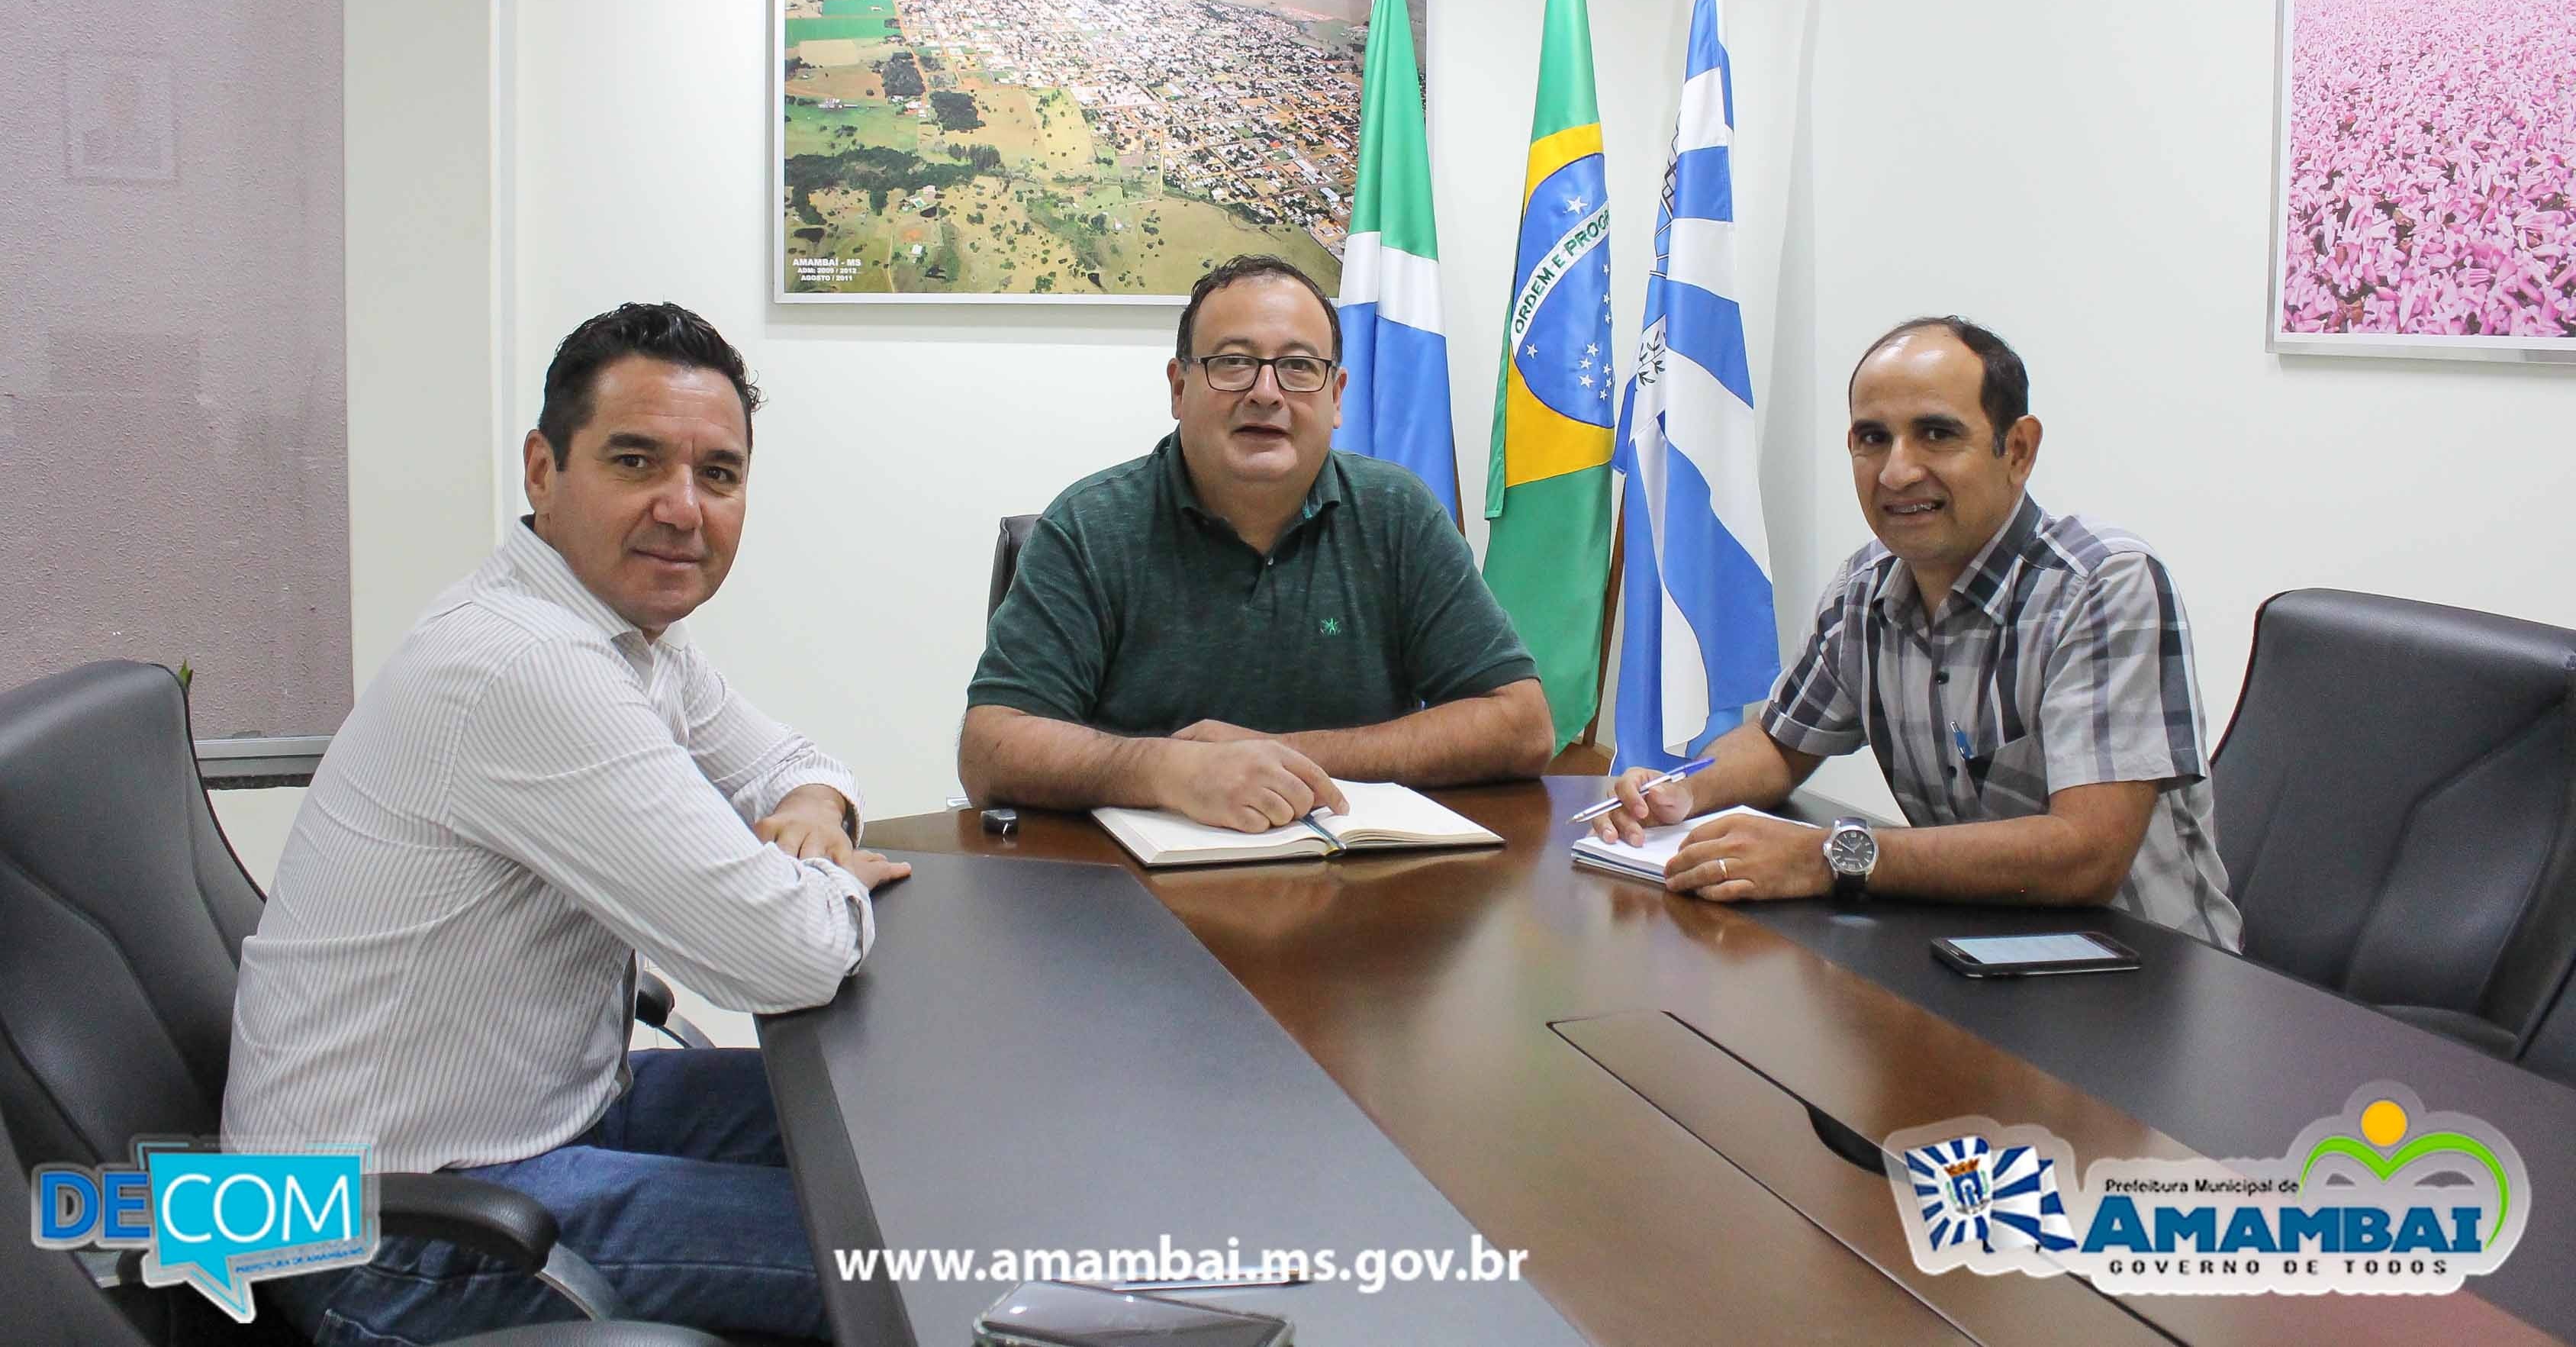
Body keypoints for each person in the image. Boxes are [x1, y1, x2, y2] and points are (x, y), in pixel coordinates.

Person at [224, 302, 906, 1343]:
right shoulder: (525, 664)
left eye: (717, 474)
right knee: (910, 1259)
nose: (683, 508)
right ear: (544, 470)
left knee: (900, 1130)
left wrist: (815, 814)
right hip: (389, 1227)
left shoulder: (628, 634)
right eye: (637, 461)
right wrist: (835, 880)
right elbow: (786, 956)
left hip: (544, 1113)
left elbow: (795, 763)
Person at [1594, 315, 2240, 947]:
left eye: (1935, 434)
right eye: (1873, 438)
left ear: (2017, 450)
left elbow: (2086, 853)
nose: (1897, 471)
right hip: (1973, 944)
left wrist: (1828, 856)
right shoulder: (1867, 585)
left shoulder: (2105, 585)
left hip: (2144, 980)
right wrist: (1680, 792)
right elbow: (1779, 743)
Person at [961, 255, 1553, 832]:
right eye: (1234, 362)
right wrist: (1170, 769)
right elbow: (991, 746)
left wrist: (1273, 755)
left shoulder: (1397, 514)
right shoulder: (1091, 525)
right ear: (1178, 386)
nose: (1266, 392)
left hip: (1359, 896)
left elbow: (1521, 724)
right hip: (1132, 898)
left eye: (1298, 367)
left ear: (1337, 395)